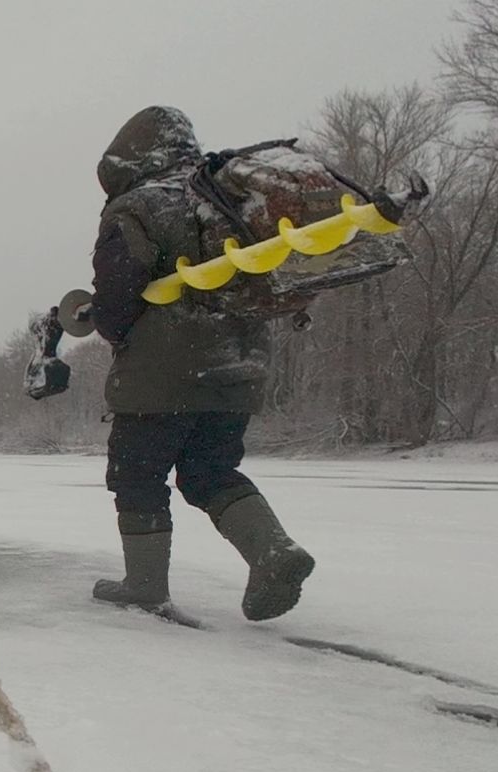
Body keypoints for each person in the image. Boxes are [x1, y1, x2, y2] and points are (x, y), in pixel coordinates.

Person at [89, 106, 315, 622]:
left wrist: (114, 329)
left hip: (161, 377)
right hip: (237, 368)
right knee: (211, 470)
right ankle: (271, 551)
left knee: (137, 474)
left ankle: (145, 586)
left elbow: (117, 295)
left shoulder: (141, 205)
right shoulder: (220, 199)